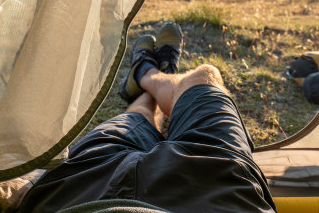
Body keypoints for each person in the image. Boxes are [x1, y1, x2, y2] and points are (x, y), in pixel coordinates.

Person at [19, 22, 276, 213]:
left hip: (78, 191)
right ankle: (153, 74)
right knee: (204, 77)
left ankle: (144, 77)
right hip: (219, 190)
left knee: (136, 118)